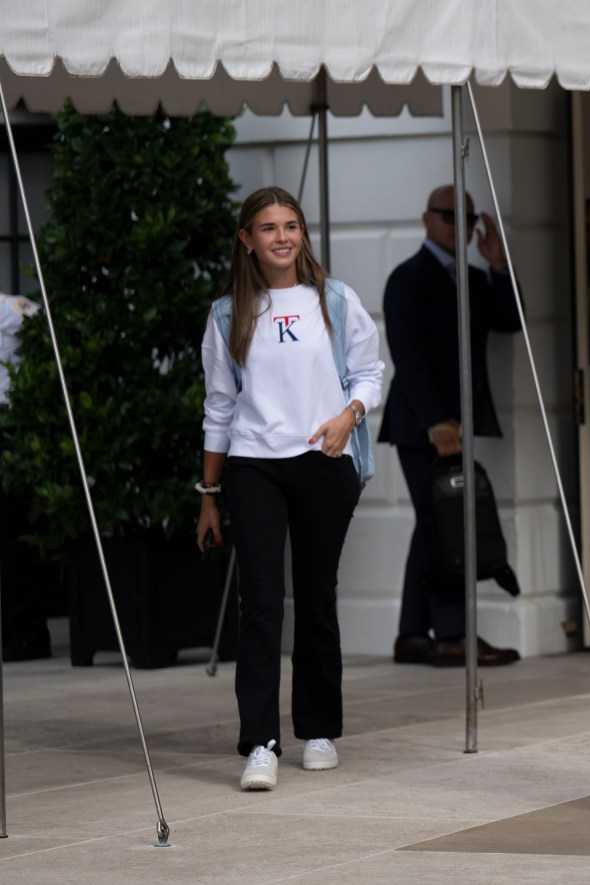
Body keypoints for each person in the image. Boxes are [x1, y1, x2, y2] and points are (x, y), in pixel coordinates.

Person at [196, 186, 383, 791]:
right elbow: (219, 406)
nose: (282, 237)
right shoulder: (227, 314)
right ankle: (260, 742)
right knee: (261, 603)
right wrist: (208, 492)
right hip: (254, 467)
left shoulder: (334, 299)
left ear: (302, 233)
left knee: (316, 594)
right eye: (269, 228)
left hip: (323, 461)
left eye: (292, 226)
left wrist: (348, 415)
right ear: (246, 240)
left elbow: (370, 371)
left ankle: (319, 729)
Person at [379, 185, 521, 667]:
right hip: (421, 426)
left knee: (432, 525)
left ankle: (412, 634)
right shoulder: (408, 278)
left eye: (468, 218)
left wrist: (497, 263)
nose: (459, 227)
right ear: (427, 219)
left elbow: (509, 319)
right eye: (449, 217)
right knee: (446, 527)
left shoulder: (473, 279)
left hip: (457, 423)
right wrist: (437, 422)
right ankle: (454, 633)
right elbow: (409, 358)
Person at [1, 291, 52, 662]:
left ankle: (25, 633)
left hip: (10, 426)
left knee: (12, 534)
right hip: (16, 425)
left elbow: (46, 329)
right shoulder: (12, 308)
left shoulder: (9, 309)